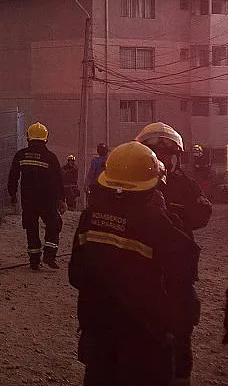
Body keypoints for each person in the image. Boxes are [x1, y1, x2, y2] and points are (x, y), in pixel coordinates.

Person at [69, 141, 199, 386]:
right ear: (152, 185)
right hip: (146, 341)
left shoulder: (90, 217)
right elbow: (185, 270)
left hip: (98, 332)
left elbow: (76, 275)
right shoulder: (157, 223)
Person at [135, 122, 211, 385]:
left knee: (182, 329)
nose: (164, 160)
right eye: (157, 154)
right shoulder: (132, 184)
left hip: (177, 271)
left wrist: (173, 219)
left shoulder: (187, 185)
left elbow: (203, 214)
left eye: (169, 155)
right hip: (141, 270)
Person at [7, 122, 67, 270]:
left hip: (28, 200)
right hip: (47, 200)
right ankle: (49, 255)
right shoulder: (50, 157)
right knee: (54, 224)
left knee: (31, 228)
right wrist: (62, 199)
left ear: (28, 138)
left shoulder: (20, 155)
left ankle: (34, 260)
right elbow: (59, 180)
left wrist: (12, 194)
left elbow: (13, 177)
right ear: (46, 139)